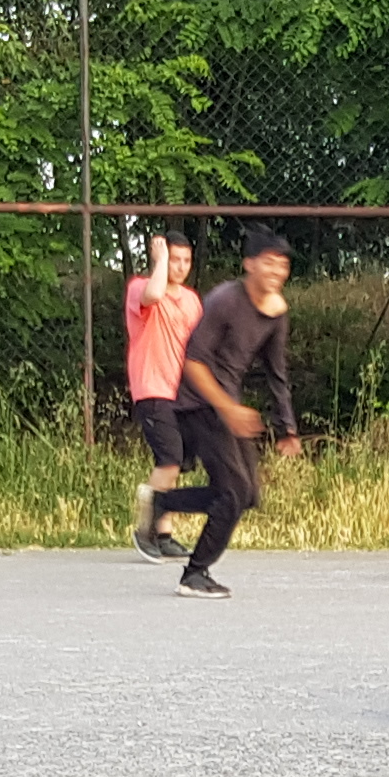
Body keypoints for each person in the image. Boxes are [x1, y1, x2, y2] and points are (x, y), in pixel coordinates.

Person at [133, 226, 294, 599]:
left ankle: (163, 502)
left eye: (283, 265)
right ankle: (195, 573)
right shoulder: (225, 300)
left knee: (246, 494)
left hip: (226, 405)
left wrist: (287, 427)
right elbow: (193, 363)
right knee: (233, 494)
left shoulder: (275, 312)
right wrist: (227, 408)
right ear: (249, 264)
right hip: (197, 403)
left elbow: (277, 371)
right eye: (269, 263)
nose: (277, 271)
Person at [123, 230, 204, 561]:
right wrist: (160, 260)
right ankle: (145, 529)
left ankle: (165, 534)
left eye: (186, 260)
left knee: (175, 463)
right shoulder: (140, 288)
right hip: (153, 388)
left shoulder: (192, 300)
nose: (181, 266)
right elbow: (154, 293)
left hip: (182, 393)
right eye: (175, 259)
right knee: (169, 459)